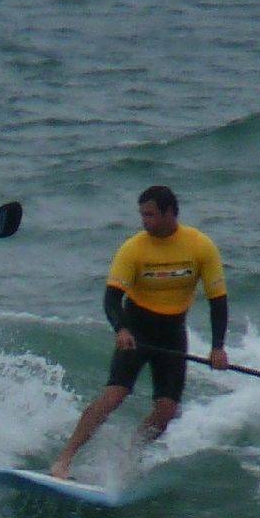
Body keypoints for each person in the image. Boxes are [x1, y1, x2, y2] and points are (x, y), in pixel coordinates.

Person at [50, 185, 228, 480]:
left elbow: (218, 301)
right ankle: (64, 459)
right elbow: (111, 299)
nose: (145, 221)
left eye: (151, 215)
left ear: (170, 213)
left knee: (166, 411)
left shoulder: (200, 246)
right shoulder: (133, 248)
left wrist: (218, 347)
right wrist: (121, 328)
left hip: (172, 333)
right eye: (142, 215)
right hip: (136, 330)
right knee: (114, 395)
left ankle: (127, 461)